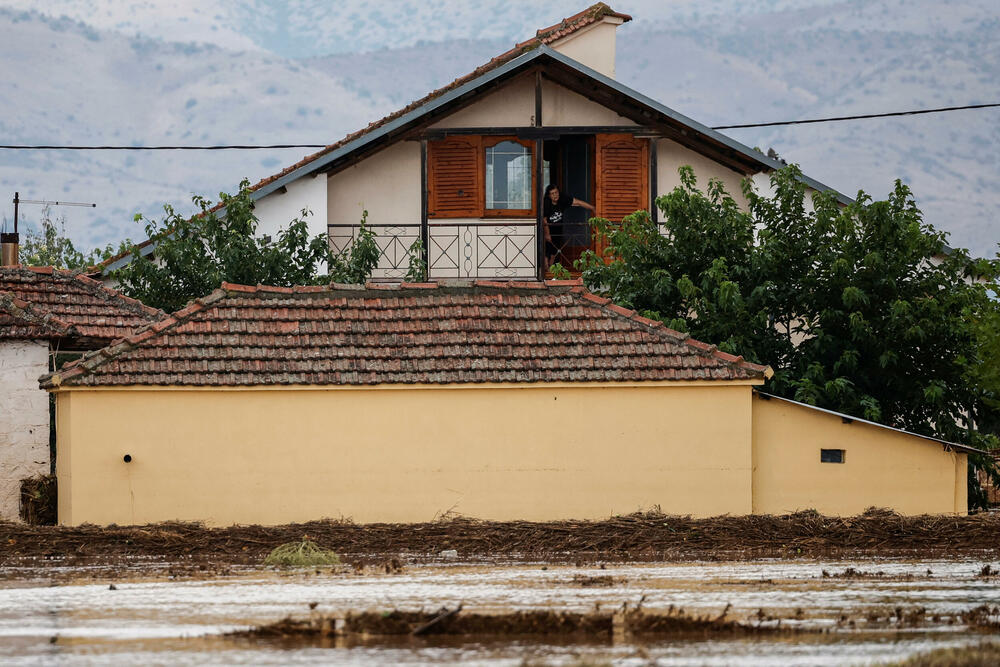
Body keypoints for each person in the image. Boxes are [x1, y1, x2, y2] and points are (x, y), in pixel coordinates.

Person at [542, 184, 595, 270]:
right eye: (552, 193)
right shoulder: (546, 203)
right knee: (546, 251)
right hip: (546, 230)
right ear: (549, 195)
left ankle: (550, 270)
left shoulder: (562, 199)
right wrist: (547, 234)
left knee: (554, 252)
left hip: (557, 230)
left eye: (556, 192)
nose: (555, 195)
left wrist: (592, 208)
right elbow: (544, 220)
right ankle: (546, 269)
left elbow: (578, 202)